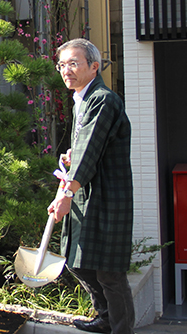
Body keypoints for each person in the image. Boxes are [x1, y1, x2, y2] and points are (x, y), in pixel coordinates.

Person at [47, 38, 134, 334]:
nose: (66, 70)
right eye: (62, 64)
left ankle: (121, 328)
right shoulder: (82, 99)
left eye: (73, 63)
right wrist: (73, 152)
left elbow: (92, 146)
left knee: (109, 270)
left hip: (107, 194)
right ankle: (105, 316)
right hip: (87, 190)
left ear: (94, 66)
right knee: (77, 260)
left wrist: (67, 193)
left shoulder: (103, 99)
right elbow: (89, 145)